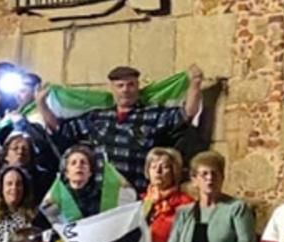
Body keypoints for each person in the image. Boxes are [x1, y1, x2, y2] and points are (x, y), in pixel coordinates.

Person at [33, 64, 204, 194]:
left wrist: (195, 84)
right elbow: (60, 129)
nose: (126, 90)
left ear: (138, 87)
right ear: (112, 89)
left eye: (131, 85)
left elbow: (186, 115)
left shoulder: (154, 115)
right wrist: (41, 104)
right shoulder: (97, 117)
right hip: (100, 197)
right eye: (120, 86)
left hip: (137, 196)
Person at [40, 144, 136, 226]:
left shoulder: (101, 197)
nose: (79, 165)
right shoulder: (56, 199)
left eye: (83, 162)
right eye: (73, 163)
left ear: (90, 173)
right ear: (66, 173)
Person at [142, 147, 193, 242]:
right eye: (153, 167)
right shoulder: (140, 200)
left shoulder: (186, 204)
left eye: (164, 167)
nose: (158, 171)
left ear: (174, 172)